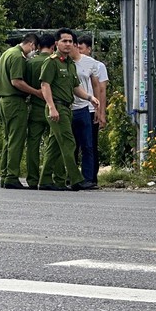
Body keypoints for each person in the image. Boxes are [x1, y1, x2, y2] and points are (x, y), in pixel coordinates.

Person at [38, 28, 100, 191]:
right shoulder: (52, 62)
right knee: (69, 142)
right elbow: (45, 85)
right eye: (64, 41)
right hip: (56, 106)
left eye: (70, 41)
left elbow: (75, 87)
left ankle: (45, 180)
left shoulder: (70, 64)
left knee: (55, 145)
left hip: (67, 107)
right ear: (56, 43)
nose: (67, 44)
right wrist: (51, 107)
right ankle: (75, 179)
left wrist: (89, 98)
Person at [0, 33, 39, 189]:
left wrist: (0, 88)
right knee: (16, 140)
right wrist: (36, 92)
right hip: (15, 101)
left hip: (3, 100)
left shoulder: (7, 52)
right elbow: (16, 81)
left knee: (8, 139)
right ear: (32, 44)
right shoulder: (18, 57)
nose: (34, 52)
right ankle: (12, 176)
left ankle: (4, 175)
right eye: (35, 48)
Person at [23, 33, 56, 189]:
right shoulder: (55, 62)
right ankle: (49, 177)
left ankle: (32, 179)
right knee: (54, 144)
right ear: (53, 46)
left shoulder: (30, 63)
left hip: (35, 107)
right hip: (53, 107)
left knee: (33, 144)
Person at [76, 36, 108, 184]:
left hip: (90, 109)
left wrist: (101, 112)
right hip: (77, 107)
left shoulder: (97, 65)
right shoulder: (72, 63)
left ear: (89, 49)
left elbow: (101, 89)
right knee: (75, 144)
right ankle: (74, 175)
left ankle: (91, 177)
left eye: (81, 48)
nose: (79, 51)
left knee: (90, 144)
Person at [70, 36, 101, 186]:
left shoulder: (90, 63)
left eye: (72, 44)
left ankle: (88, 178)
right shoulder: (63, 61)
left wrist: (98, 108)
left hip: (86, 107)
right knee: (72, 145)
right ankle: (72, 177)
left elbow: (96, 86)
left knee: (88, 144)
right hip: (68, 107)